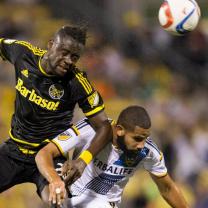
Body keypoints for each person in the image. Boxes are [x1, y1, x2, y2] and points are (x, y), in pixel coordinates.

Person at [0, 25, 112, 205]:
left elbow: (105, 127)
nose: (69, 60)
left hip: (50, 156)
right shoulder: (23, 54)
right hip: (14, 150)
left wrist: (82, 162)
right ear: (51, 44)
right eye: (64, 52)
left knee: (58, 202)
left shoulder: (77, 83)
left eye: (74, 57)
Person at [35, 105, 189, 208]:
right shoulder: (91, 128)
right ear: (119, 130)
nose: (142, 145)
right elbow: (44, 153)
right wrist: (55, 180)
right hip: (70, 199)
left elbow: (168, 188)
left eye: (145, 138)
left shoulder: (148, 151)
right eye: (137, 139)